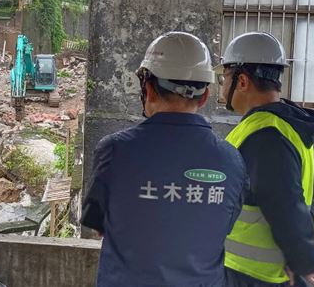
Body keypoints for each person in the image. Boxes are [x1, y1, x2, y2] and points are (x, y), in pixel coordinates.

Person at [81, 32, 247, 287]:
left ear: (147, 88)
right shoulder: (232, 161)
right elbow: (224, 225)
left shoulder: (114, 151)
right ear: (204, 97)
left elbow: (97, 223)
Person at [218, 32, 314, 287]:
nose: (222, 86)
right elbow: (309, 194)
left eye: (224, 77)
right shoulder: (284, 126)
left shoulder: (266, 135)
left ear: (242, 81)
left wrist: (304, 259)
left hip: (254, 276)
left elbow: (285, 203)